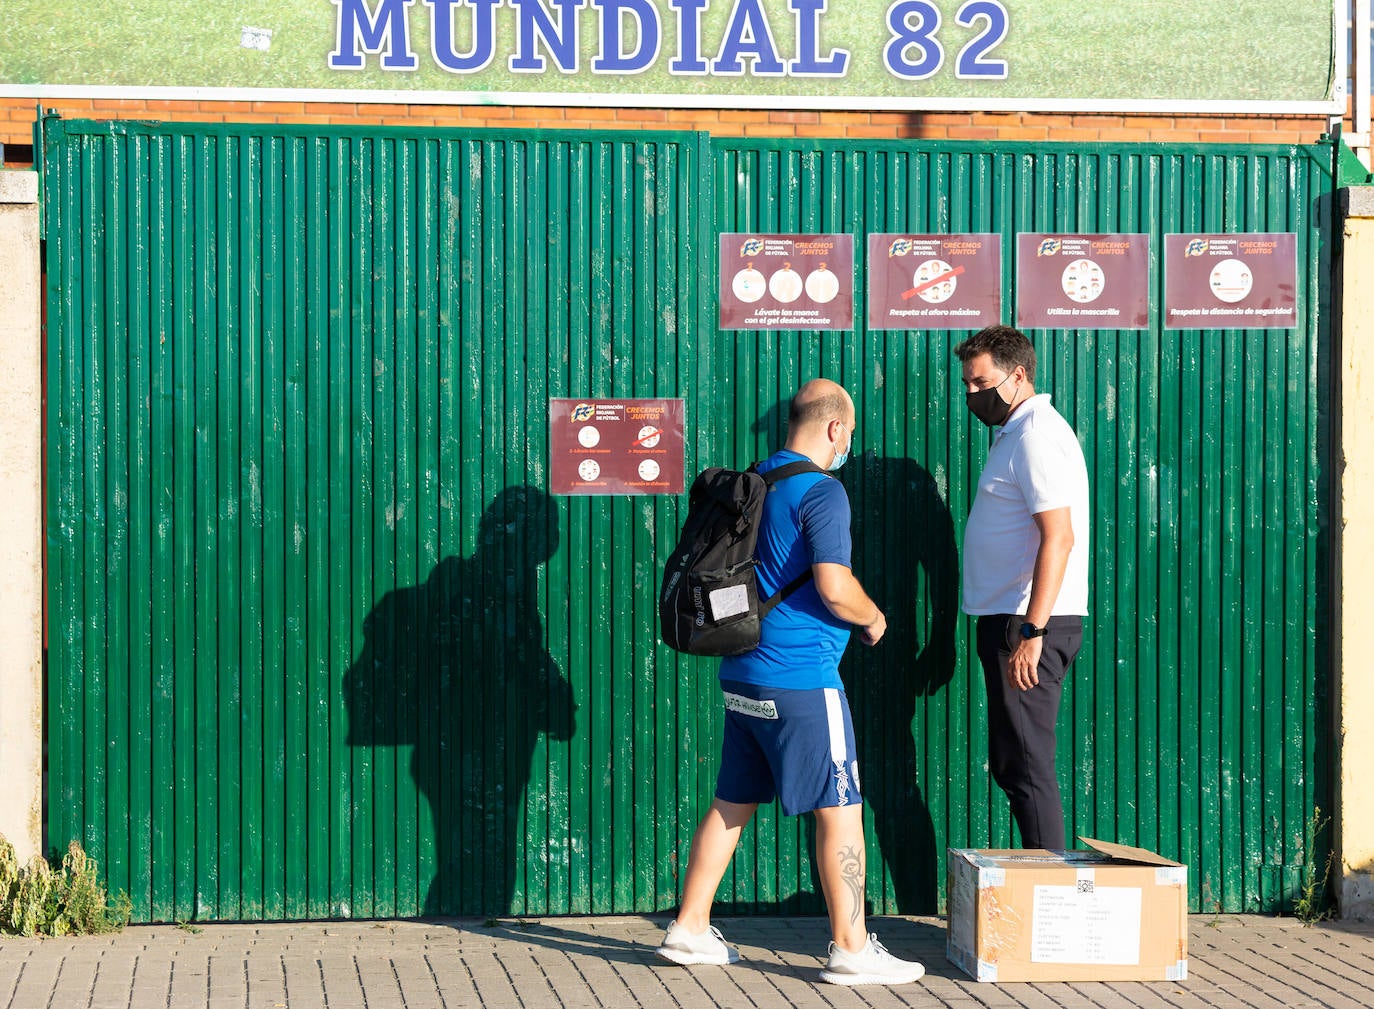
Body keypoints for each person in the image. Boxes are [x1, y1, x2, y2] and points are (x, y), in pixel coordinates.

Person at [654, 378, 925, 987]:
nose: (847, 444)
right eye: (848, 434)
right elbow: (833, 584)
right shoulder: (822, 492)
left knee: (732, 802)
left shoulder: (752, 484)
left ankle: (690, 927)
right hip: (802, 679)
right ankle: (853, 948)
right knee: (841, 808)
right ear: (835, 429)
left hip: (742, 669)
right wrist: (876, 617)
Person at [954, 325, 1090, 851]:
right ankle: (1042, 890)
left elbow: (1058, 537)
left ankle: (1051, 903)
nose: (972, 394)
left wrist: (1032, 631)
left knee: (1027, 766)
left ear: (1018, 375)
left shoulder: (1035, 435)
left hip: (1027, 622)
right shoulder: (1017, 433)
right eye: (966, 384)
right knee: (1017, 763)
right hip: (1014, 619)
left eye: (980, 383)